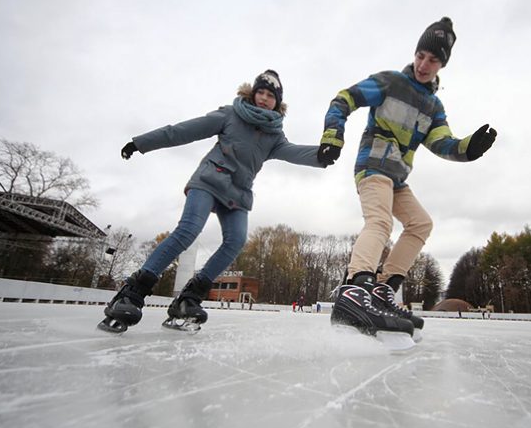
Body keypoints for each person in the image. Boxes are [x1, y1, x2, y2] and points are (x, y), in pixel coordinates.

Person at [98, 70, 326, 333]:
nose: (264, 99)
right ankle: (132, 293)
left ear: (278, 102)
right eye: (260, 92)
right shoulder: (231, 115)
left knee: (236, 241)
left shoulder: (274, 135)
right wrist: (141, 143)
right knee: (188, 230)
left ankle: (189, 299)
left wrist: (324, 154)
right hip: (208, 181)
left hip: (238, 194)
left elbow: (294, 152)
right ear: (252, 94)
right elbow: (183, 131)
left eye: (270, 96)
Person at [318, 17, 497, 343]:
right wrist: (333, 134)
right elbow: (344, 99)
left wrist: (469, 149)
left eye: (433, 59)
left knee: (421, 223)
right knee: (380, 222)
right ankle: (356, 291)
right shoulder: (390, 83)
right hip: (372, 167)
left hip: (397, 178)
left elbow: (443, 143)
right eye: (421, 56)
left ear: (442, 64)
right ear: (414, 53)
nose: (424, 65)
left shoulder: (433, 106)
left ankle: (383, 291)